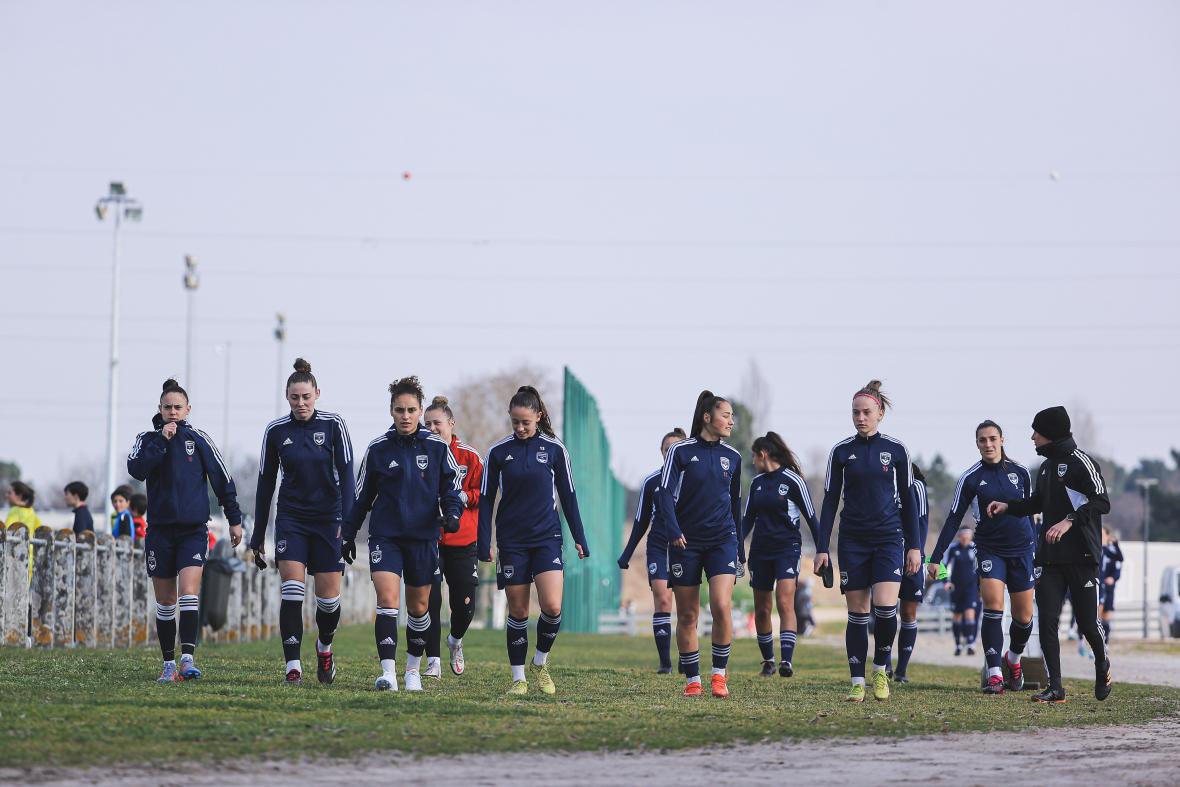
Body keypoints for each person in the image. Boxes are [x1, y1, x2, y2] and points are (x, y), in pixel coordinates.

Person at [987, 405, 1112, 703]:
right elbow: (1038, 502)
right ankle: (1055, 687)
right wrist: (1009, 506)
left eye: (1037, 432)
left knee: (1086, 624)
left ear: (1051, 434)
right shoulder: (1044, 467)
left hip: (1082, 557)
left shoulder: (1082, 463)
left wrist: (1070, 521)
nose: (1032, 437)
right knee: (1048, 622)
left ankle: (1102, 663)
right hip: (1050, 558)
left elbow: (1102, 502)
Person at [345, 376, 462, 693]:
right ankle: (387, 673)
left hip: (423, 538)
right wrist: (347, 534)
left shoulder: (437, 447)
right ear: (391, 411)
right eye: (400, 410)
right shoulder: (378, 449)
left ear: (420, 410)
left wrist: (452, 515)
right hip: (386, 536)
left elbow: (452, 489)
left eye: (411, 410)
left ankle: (412, 670)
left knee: (419, 607)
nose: (406, 416)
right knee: (387, 599)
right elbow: (361, 498)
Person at [128, 378, 243, 684]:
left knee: (189, 593)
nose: (173, 413)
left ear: (188, 409)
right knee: (166, 602)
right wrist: (162, 441)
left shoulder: (199, 439)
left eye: (178, 407)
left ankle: (188, 658)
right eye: (168, 407)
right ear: (160, 409)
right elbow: (137, 470)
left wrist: (234, 519)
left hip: (193, 530)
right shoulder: (147, 440)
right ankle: (168, 664)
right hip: (160, 533)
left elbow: (223, 480)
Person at [250, 358, 356, 686]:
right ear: (287, 397)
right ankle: (292, 666)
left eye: (306, 397)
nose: (301, 403)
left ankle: (324, 648)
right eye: (295, 398)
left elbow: (349, 478)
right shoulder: (276, 431)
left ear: (317, 394)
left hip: (329, 520)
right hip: (291, 520)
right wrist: (258, 536)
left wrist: (349, 530)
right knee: (292, 592)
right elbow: (266, 484)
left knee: (328, 601)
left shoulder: (334, 425)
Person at [478, 386, 590, 696]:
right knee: (518, 611)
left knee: (552, 606)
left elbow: (568, 496)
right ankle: (518, 678)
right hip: (512, 541)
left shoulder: (555, 450)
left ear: (538, 417)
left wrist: (579, 537)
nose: (520, 427)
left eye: (525, 422)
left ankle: (540, 663)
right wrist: (484, 540)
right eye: (515, 422)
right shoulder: (498, 453)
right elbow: (486, 499)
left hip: (547, 538)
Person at [815, 380, 921, 702]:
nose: (860, 418)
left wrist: (914, 545)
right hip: (853, 541)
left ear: (880, 413)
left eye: (866, 412)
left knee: (887, 608)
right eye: (855, 413)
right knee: (858, 614)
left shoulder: (897, 450)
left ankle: (880, 669)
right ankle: (857, 681)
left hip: (890, 539)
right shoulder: (841, 452)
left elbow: (908, 498)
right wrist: (822, 548)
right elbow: (831, 500)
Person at [928, 420, 1036, 694]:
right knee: (993, 607)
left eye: (992, 439)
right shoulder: (970, 478)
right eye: (982, 440)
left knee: (1023, 617)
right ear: (976, 444)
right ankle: (995, 674)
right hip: (990, 549)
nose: (987, 444)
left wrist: (1039, 552)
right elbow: (953, 519)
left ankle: (1012, 660)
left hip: (1022, 549)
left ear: (1002, 440)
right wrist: (936, 557)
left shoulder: (1021, 472)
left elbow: (1031, 512)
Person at [656, 390, 743, 698]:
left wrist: (740, 551)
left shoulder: (733, 457)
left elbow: (735, 505)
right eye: (726, 415)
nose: (731, 420)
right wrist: (673, 530)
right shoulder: (680, 452)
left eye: (732, 415)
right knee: (688, 615)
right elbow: (663, 493)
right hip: (686, 544)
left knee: (721, 605)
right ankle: (693, 679)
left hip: (722, 541)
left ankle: (719, 676)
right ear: (708, 417)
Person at [742, 431, 818, 678]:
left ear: (763, 455)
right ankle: (768, 661)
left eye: (754, 457)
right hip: (760, 552)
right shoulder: (757, 484)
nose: (753, 462)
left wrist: (823, 550)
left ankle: (787, 661)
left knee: (784, 601)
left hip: (787, 549)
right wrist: (734, 548)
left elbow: (811, 517)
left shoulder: (793, 480)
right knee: (762, 609)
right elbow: (746, 521)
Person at [423, 395, 484, 679]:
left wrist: (464, 496)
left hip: (463, 541)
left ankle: (455, 641)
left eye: (438, 423)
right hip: (430, 540)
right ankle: (432, 660)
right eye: (428, 424)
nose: (433, 429)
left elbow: (485, 495)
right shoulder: (420, 453)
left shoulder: (470, 457)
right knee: (429, 602)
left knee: (465, 607)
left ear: (451, 424)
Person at [617, 427, 686, 674]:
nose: (671, 454)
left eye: (676, 449)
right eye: (667, 450)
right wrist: (627, 553)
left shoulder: (693, 479)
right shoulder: (652, 482)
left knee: (687, 606)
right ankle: (665, 662)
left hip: (688, 547)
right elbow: (640, 521)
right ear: (661, 452)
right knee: (663, 599)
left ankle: (687, 656)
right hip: (658, 545)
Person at [891, 462, 931, 684]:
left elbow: (922, 522)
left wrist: (917, 552)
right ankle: (884, 665)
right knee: (884, 610)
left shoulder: (916, 487)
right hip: (887, 553)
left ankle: (901, 670)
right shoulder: (885, 486)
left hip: (912, 556)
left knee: (907, 612)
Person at [942, 528, 979, 656]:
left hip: (971, 587)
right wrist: (945, 581)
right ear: (959, 537)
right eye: (963, 536)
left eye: (968, 536)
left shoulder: (975, 548)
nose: (965, 539)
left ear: (970, 537)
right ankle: (958, 644)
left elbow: (980, 565)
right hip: (956, 587)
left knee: (970, 613)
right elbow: (944, 565)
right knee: (957, 615)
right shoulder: (952, 548)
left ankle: (970, 643)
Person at [1099, 527, 1123, 643]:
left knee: (1106, 616)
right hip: (1097, 585)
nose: (1101, 536)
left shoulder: (1111, 550)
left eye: (1103, 534)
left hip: (1108, 588)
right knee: (1096, 616)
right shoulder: (1096, 548)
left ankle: (1105, 643)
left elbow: (1120, 561)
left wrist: (1113, 578)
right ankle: (1092, 644)